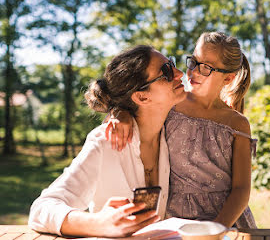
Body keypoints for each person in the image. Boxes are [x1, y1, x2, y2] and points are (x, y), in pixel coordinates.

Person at [28, 45, 187, 237]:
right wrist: (96, 223)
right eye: (166, 72)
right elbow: (41, 209)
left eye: (172, 64)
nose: (179, 73)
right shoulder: (105, 141)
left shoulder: (177, 132)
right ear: (142, 96)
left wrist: (119, 111)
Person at [106, 32, 257, 228]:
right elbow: (138, 102)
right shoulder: (171, 103)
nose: (193, 71)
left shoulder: (238, 124)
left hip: (226, 222)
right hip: (176, 220)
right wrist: (120, 113)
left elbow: (241, 189)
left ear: (228, 78)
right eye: (193, 61)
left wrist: (216, 230)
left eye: (205, 68)